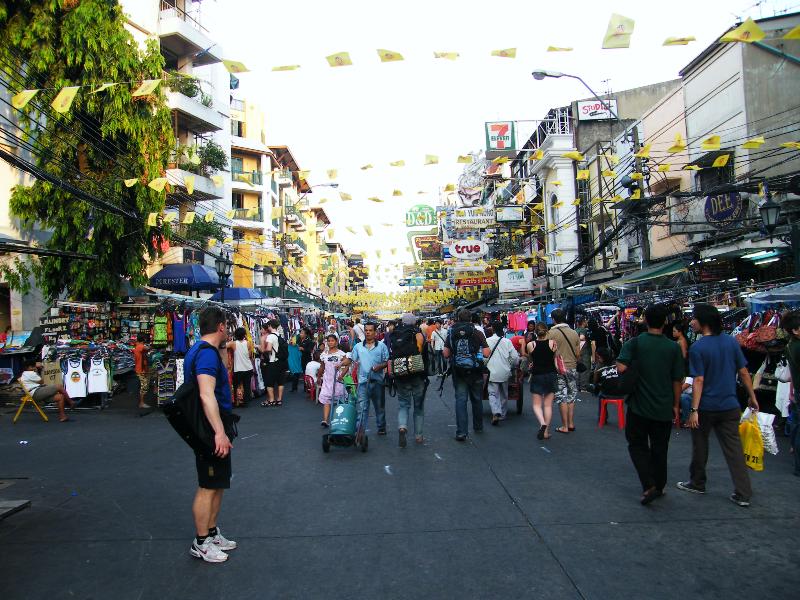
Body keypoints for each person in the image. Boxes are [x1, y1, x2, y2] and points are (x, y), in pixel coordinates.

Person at [677, 303, 759, 507]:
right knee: (734, 450)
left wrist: (694, 410)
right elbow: (743, 372)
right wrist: (752, 395)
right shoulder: (731, 343)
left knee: (700, 445)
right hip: (730, 405)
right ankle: (743, 492)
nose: (692, 322)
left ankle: (697, 482)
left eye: (694, 318)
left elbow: (698, 380)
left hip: (706, 407)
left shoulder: (698, 347)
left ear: (703, 322)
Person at [617, 304, 684, 505]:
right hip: (664, 406)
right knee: (660, 447)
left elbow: (621, 367)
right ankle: (660, 485)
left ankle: (649, 484)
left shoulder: (635, 343)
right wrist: (676, 405)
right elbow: (677, 380)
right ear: (665, 322)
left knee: (637, 445)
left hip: (638, 405)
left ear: (645, 320)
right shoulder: (673, 347)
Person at [184, 307, 236, 563]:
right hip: (209, 428)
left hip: (213, 426)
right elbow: (206, 394)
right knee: (208, 485)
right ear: (221, 326)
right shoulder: (204, 355)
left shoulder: (207, 351)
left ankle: (212, 533)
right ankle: (201, 541)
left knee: (218, 483)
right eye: (226, 325)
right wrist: (218, 433)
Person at [443, 309, 490, 441]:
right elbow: (486, 353)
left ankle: (461, 432)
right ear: (471, 319)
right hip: (475, 371)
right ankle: (478, 426)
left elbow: (446, 354)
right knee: (476, 399)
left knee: (461, 400)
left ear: (458, 318)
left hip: (459, 371)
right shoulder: (477, 332)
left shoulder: (452, 332)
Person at [340, 322, 389, 435]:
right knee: (362, 408)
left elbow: (387, 362)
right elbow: (351, 359)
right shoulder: (358, 347)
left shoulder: (382, 346)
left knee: (379, 407)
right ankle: (360, 430)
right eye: (366, 330)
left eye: (370, 330)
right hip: (363, 382)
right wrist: (340, 364)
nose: (367, 332)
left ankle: (381, 427)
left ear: (375, 332)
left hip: (377, 381)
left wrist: (379, 366)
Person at [390, 313, 428, 446]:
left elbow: (391, 355)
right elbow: (424, 355)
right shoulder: (418, 334)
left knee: (403, 404)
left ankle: (402, 427)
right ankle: (418, 436)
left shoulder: (394, 334)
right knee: (418, 407)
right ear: (415, 323)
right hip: (416, 372)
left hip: (400, 372)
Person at [547, 309, 581, 434]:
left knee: (562, 396)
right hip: (572, 366)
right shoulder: (574, 333)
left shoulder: (551, 333)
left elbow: (548, 352)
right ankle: (571, 423)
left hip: (558, 368)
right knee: (572, 395)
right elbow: (578, 354)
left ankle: (564, 426)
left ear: (553, 319)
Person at [485, 321, 520, 425]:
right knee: (504, 393)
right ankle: (503, 414)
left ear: (493, 329)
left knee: (492, 393)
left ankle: (496, 412)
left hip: (492, 371)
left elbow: (484, 355)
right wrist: (510, 364)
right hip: (505, 371)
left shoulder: (487, 340)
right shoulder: (507, 341)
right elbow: (514, 357)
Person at [527, 323, 558, 440]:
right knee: (548, 405)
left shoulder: (531, 344)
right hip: (551, 374)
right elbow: (555, 358)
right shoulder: (553, 343)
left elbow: (531, 358)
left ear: (535, 332)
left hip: (537, 375)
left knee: (536, 405)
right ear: (547, 331)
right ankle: (546, 432)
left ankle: (542, 423)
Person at [780, 309, 800, 477]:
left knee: (797, 424)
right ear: (795, 330)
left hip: (798, 390)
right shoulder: (797, 346)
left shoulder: (790, 346)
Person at [317, 334, 347, 427]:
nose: (330, 342)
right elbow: (322, 367)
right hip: (327, 379)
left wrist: (342, 375)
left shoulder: (341, 354)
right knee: (326, 400)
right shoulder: (324, 354)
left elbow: (347, 365)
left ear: (336, 342)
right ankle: (325, 420)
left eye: (332, 341)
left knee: (339, 400)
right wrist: (319, 377)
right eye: (328, 341)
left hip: (338, 380)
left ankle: (338, 420)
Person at [260, 320, 286, 407]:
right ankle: (279, 399)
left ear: (270, 326)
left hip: (273, 361)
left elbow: (268, 349)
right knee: (280, 381)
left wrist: (262, 349)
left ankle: (271, 400)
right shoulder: (279, 335)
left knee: (269, 382)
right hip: (282, 361)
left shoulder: (271, 336)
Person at [225, 328, 253, 408]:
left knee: (236, 385)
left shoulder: (233, 344)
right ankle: (245, 401)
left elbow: (223, 346)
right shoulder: (248, 343)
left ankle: (236, 401)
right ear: (244, 335)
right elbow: (250, 355)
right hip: (248, 367)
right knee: (246, 385)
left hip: (238, 369)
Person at [132, 333, 151, 409]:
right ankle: (141, 403)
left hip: (142, 368)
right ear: (144, 339)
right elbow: (147, 348)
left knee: (145, 385)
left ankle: (142, 402)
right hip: (141, 369)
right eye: (146, 339)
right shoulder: (140, 346)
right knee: (144, 386)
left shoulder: (138, 345)